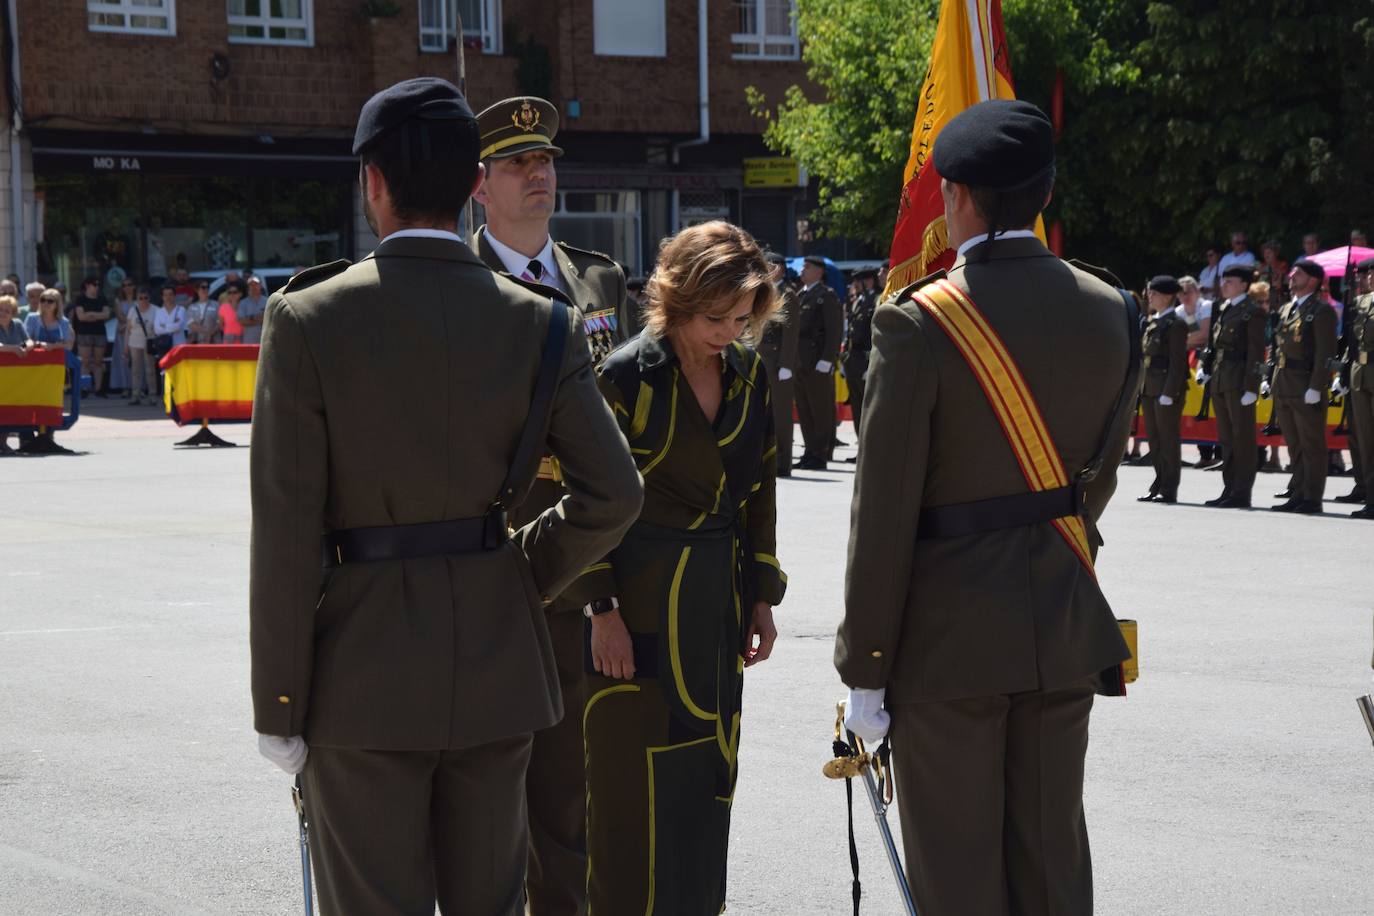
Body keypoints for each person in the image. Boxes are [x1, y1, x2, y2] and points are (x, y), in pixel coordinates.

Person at [250, 77, 643, 916]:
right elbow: (613, 494)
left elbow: (286, 534)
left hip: (360, 677)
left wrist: (279, 704)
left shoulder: (307, 317)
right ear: (474, 183)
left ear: (373, 184)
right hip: (498, 668)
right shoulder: (541, 319)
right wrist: (512, 574)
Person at [835, 100, 1135, 916]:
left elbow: (885, 511)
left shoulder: (917, 321)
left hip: (949, 642)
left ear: (957, 195)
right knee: (1053, 868)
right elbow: (1096, 480)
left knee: (959, 877)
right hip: (1065, 615)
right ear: (1041, 193)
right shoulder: (1113, 308)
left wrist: (866, 666)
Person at [576, 220, 783, 916]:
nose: (730, 330)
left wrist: (762, 597)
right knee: (628, 788)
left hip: (716, 608)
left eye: (743, 316)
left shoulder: (751, 375)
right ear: (674, 298)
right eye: (715, 317)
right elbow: (586, 502)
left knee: (708, 772)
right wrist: (600, 609)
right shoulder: (624, 375)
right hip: (636, 602)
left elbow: (760, 488)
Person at [469, 94, 637, 915]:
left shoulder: (599, 277)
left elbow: (629, 438)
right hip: (505, 571)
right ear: (479, 187)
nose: (538, 176)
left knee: (583, 797)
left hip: (597, 569)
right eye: (516, 165)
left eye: (546, 162)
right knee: (507, 803)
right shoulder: (459, 284)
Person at [1266, 258, 1337, 513]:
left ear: (1314, 280)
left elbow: (1325, 353)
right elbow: (1278, 349)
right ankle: (1297, 491)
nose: (1292, 276)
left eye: (1299, 273)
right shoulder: (1287, 309)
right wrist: (1269, 378)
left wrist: (1316, 386)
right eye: (1292, 272)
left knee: (1312, 444)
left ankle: (1312, 497)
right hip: (1284, 383)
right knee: (1294, 444)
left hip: (1305, 383)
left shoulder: (1321, 310)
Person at [1199, 265, 1266, 508]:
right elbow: (1215, 346)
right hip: (1220, 379)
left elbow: (1256, 351)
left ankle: (1241, 491)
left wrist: (1251, 387)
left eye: (1230, 280)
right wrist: (1205, 369)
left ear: (1244, 285)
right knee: (1226, 439)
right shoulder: (1223, 308)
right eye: (1223, 280)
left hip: (1239, 381)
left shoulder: (1252, 312)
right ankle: (1229, 487)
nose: (1224, 284)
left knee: (1243, 439)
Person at [1139, 276, 1188, 503]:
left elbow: (1178, 364)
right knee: (1155, 440)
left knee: (1168, 440)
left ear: (1167, 296)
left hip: (1166, 390)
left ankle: (1168, 488)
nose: (1150, 296)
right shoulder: (1153, 321)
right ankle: (1158, 482)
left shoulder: (1175, 324)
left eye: (1154, 293)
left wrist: (1169, 393)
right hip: (1150, 388)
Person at [793, 255, 842, 470]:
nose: (802, 270)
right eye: (803, 266)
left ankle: (820, 454)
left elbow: (834, 332)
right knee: (804, 409)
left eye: (807, 267)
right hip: (800, 362)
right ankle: (809, 450)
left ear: (819, 272)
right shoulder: (800, 295)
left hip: (816, 362)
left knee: (819, 410)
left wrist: (827, 359)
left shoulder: (826, 296)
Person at [758, 252, 801, 478]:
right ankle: (765, 459)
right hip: (760, 358)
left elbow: (791, 332)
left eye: (768, 266)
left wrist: (786, 364)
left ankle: (783, 461)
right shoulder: (761, 292)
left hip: (777, 362)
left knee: (782, 415)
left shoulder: (788, 294)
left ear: (779, 268)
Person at [1338, 258, 1374, 518]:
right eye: (1368, 273)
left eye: (1372, 273)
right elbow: (1352, 342)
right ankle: (1370, 496)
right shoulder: (1360, 303)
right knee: (1365, 439)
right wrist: (1342, 372)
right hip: (1359, 374)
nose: (1369, 277)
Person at [843, 266, 879, 444]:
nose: (854, 284)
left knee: (868, 408)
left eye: (858, 281)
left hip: (866, 361)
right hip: (853, 361)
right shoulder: (858, 301)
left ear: (868, 281)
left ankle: (869, 446)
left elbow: (875, 336)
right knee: (857, 407)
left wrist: (871, 364)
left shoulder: (876, 301)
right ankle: (861, 446)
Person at [71, 277, 112, 397]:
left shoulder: (102, 298)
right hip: (84, 333)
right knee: (85, 362)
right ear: (87, 286)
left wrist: (91, 314)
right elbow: (81, 317)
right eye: (95, 284)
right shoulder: (80, 299)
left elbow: (106, 314)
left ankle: (99, 389)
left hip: (99, 333)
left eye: (98, 284)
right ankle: (84, 388)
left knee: (98, 362)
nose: (97, 287)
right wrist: (97, 315)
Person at [0, 294, 30, 454]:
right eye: (1, 310)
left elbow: (28, 340)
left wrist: (26, 347)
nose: (3, 313)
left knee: (10, 409)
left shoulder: (18, 324)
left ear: (13, 312)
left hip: (16, 377)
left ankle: (3, 443)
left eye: (7, 310)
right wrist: (13, 349)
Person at [125, 287, 158, 406]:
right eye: (140, 298)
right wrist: (126, 346)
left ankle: (152, 395)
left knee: (150, 370)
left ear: (149, 298)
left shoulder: (156, 310)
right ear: (137, 299)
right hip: (134, 342)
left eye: (146, 298)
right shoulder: (133, 310)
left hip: (149, 342)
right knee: (135, 370)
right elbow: (128, 330)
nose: (143, 300)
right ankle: (135, 395)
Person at [110, 278, 136, 394]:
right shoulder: (118, 301)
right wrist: (129, 325)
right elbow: (120, 316)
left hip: (136, 332)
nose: (127, 287)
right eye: (124, 285)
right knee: (123, 360)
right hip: (122, 334)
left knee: (136, 360)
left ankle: (137, 387)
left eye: (129, 284)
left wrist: (129, 325)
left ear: (134, 286)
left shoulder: (140, 299)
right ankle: (125, 387)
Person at [152, 284, 188, 349]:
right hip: (164, 346)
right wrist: (172, 325)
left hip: (179, 346)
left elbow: (178, 327)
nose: (168, 297)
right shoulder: (158, 311)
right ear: (162, 297)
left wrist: (164, 325)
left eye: (170, 294)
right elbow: (157, 330)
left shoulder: (181, 310)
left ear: (174, 296)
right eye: (165, 295)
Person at [186, 279, 221, 344]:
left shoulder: (216, 304)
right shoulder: (192, 307)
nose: (206, 289)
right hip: (196, 341)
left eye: (207, 287)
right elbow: (190, 323)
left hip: (214, 341)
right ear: (197, 290)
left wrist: (212, 333)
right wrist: (207, 332)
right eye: (203, 287)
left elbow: (220, 322)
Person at [237, 276, 267, 344]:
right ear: (248, 287)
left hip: (264, 341)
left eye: (256, 284)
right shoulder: (243, 303)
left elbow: (270, 319)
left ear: (260, 285)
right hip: (248, 340)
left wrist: (250, 319)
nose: (254, 286)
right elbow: (241, 321)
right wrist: (258, 319)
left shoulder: (267, 301)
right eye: (251, 285)